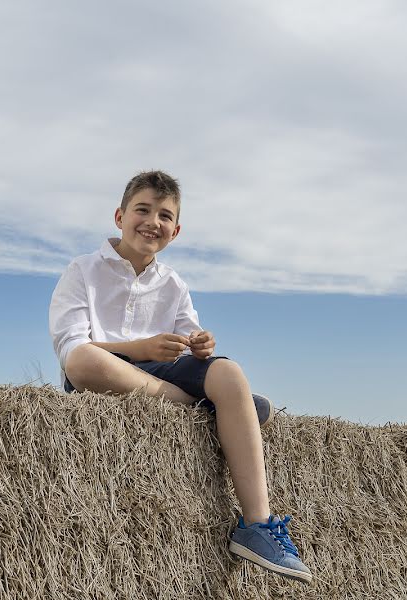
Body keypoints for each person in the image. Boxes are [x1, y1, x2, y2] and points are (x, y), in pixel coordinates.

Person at [48, 170, 312, 584]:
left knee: (228, 371)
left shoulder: (174, 284)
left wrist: (201, 346)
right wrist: (138, 349)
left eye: (165, 215)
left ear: (176, 230)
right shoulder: (83, 270)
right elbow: (69, 348)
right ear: (120, 216)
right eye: (143, 210)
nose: (153, 221)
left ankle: (257, 526)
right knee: (81, 361)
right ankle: (213, 411)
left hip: (161, 374)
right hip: (107, 371)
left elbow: (188, 345)